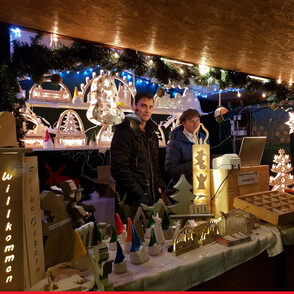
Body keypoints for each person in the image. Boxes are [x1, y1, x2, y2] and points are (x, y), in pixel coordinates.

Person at [110, 92, 165, 221]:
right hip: (131, 201)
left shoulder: (152, 135)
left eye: (151, 107)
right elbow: (118, 168)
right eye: (144, 106)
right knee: (130, 238)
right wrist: (140, 193)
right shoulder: (124, 132)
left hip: (152, 199)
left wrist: (159, 185)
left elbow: (155, 165)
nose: (147, 110)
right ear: (134, 106)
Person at [165, 108, 209, 188]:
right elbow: (170, 170)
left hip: (203, 187)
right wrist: (195, 164)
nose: (195, 124)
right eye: (191, 121)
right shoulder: (175, 143)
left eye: (197, 120)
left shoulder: (204, 139)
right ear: (184, 123)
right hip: (184, 190)